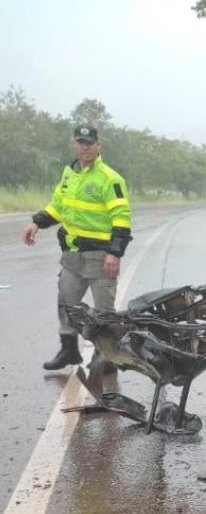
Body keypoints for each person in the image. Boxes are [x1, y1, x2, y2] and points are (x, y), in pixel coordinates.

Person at [22, 124, 132, 370]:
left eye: (89, 143)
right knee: (66, 303)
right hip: (72, 255)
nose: (84, 147)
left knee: (104, 312)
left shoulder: (110, 178)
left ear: (98, 145)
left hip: (100, 257)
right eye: (80, 142)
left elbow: (121, 216)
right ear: (74, 144)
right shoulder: (69, 173)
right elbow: (58, 206)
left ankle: (106, 358)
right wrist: (36, 223)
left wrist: (115, 252)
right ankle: (69, 351)